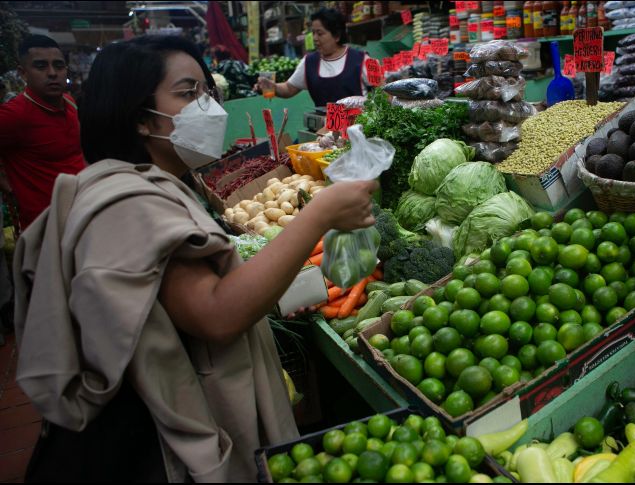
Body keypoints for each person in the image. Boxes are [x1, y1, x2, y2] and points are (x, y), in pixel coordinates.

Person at [14, 35, 377, 482]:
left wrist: (277, 291)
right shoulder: (133, 204)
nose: (208, 107)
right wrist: (319, 214)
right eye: (188, 93)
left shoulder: (154, 184)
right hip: (154, 449)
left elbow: (181, 302)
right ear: (140, 118)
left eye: (207, 91)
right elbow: (215, 316)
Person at [0, 35, 86, 231]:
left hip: (82, 217)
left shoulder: (70, 102)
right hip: (45, 230)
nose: (52, 73)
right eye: (41, 66)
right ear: (23, 73)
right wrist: (7, 184)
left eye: (59, 66)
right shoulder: (15, 114)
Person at [255, 8, 373, 106]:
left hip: (359, 125)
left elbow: (380, 91)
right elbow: (289, 88)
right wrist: (272, 87)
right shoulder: (309, 62)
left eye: (320, 33)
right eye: (313, 33)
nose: (315, 38)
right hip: (324, 126)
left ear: (337, 35)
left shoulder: (361, 60)